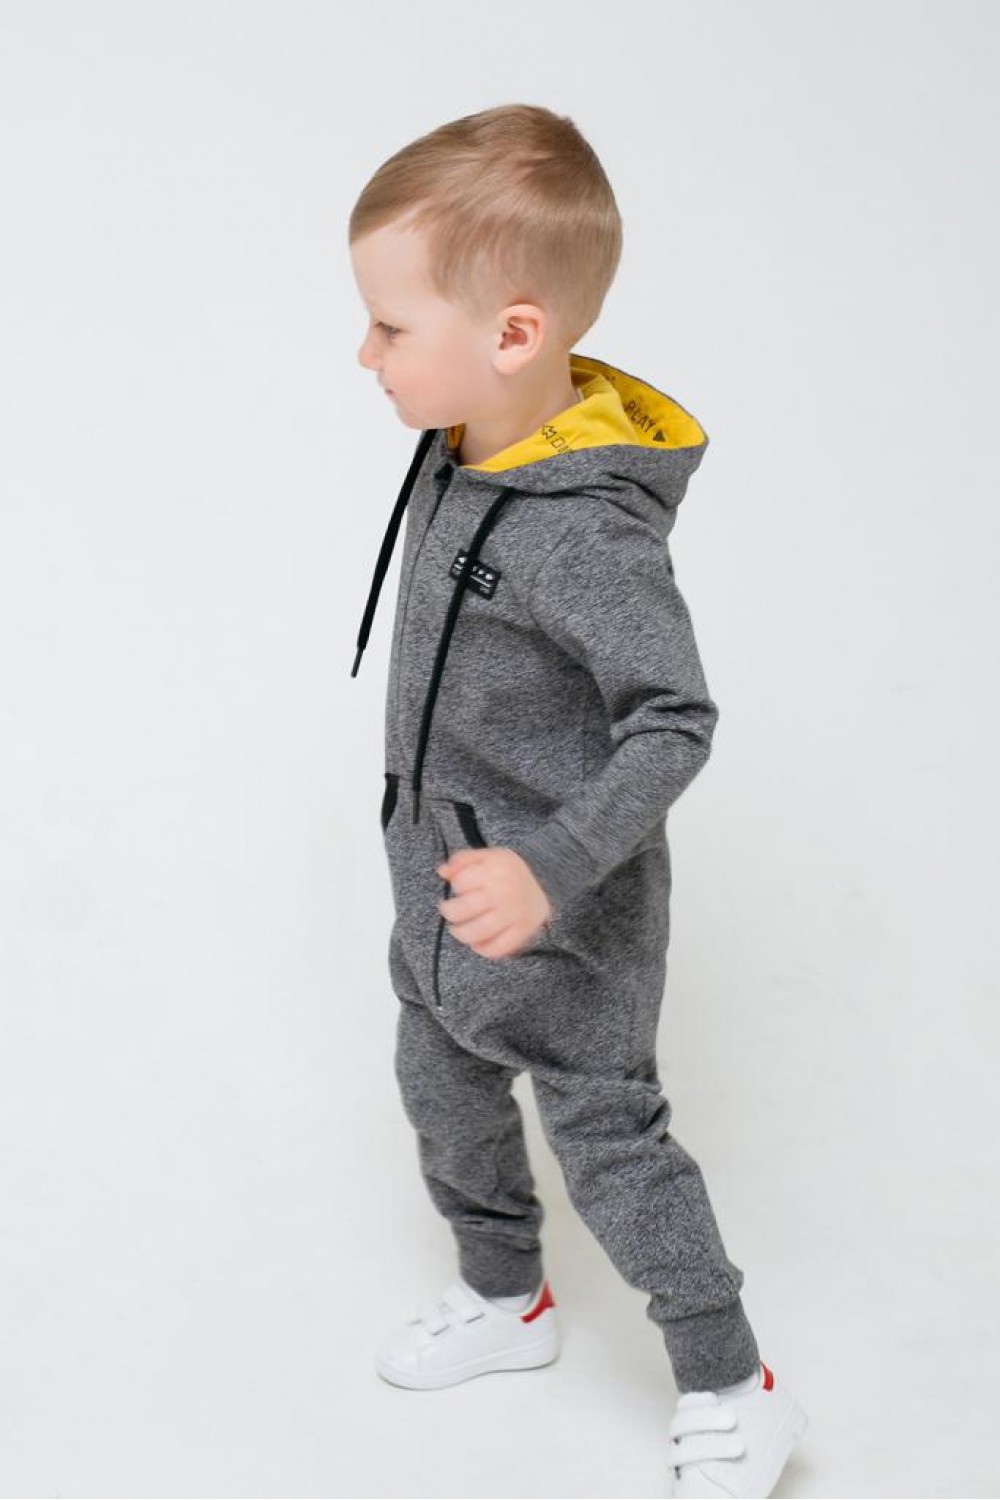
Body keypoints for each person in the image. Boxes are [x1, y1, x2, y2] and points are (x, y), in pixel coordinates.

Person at [347, 103, 808, 1499]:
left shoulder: (590, 540)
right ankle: (508, 1298)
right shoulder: (461, 448)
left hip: (565, 917)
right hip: (440, 897)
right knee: (441, 1087)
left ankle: (734, 1380)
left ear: (513, 335)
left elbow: (676, 721)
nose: (364, 353)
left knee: (612, 1147)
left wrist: (548, 866)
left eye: (388, 326)